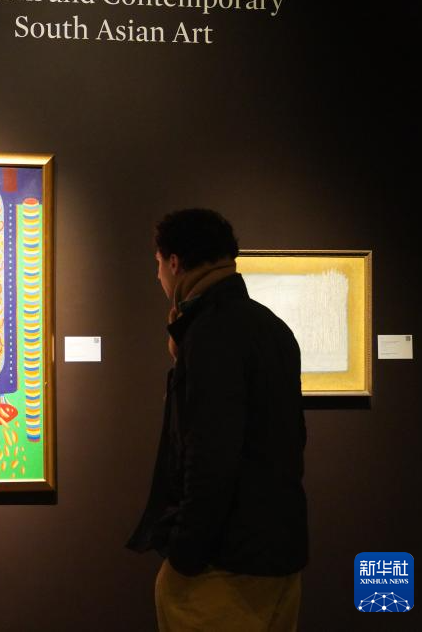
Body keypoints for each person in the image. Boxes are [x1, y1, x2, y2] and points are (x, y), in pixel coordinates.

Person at [127, 209, 308, 631]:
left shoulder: (209, 334)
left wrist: (185, 555)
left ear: (174, 262)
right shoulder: (273, 328)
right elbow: (293, 439)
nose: (157, 276)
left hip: (225, 567)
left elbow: (210, 455)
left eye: (158, 263)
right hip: (281, 558)